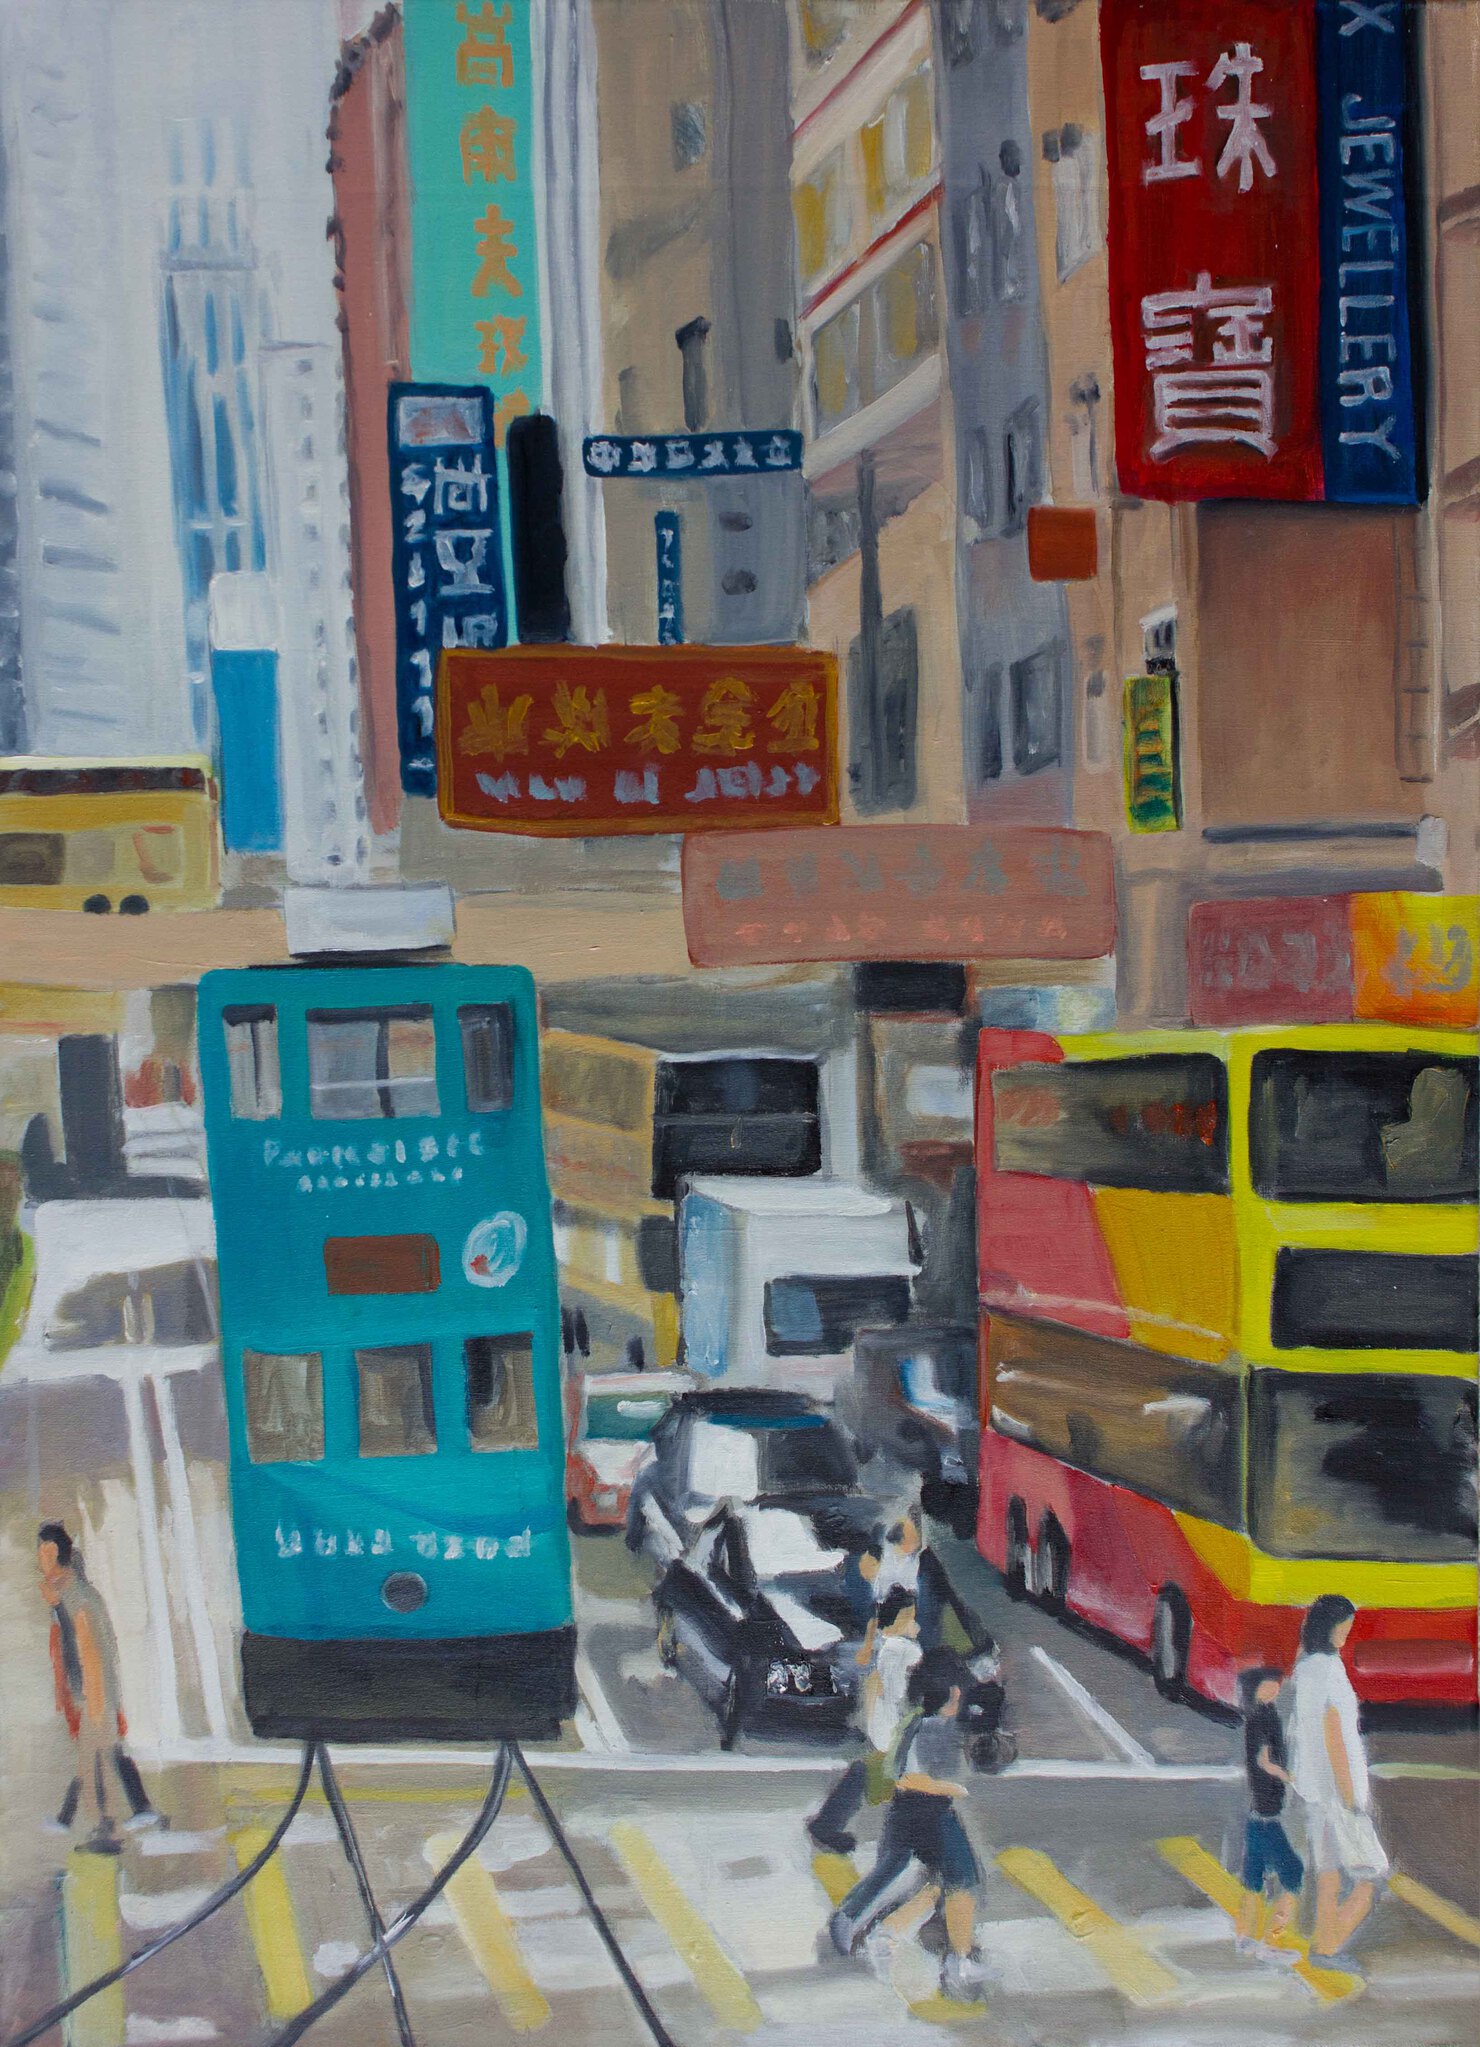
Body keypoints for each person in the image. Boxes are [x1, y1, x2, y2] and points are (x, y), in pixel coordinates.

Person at [829, 1647, 988, 2005]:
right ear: (949, 1694)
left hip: (912, 1812)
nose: (960, 1697)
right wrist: (952, 1789)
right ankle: (959, 1964)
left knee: (934, 1884)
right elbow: (909, 1778)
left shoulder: (922, 1722)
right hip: (930, 1812)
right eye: (957, 1692)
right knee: (962, 1881)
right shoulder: (933, 1729)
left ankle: (881, 1935)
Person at [38, 1523, 160, 1851]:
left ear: (54, 1553)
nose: (41, 1562)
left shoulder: (78, 1597)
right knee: (101, 1754)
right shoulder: (66, 1596)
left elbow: (90, 1650)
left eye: (44, 1553)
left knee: (91, 1758)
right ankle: (133, 1812)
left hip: (95, 1690)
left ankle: (95, 1825)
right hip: (86, 1691)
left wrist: (95, 1701)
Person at [1289, 1594, 1387, 1963]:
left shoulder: (1304, 1668)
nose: (1346, 1633)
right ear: (1329, 1628)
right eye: (1344, 1627)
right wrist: (1349, 1795)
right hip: (1338, 1791)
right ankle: (1330, 1944)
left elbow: (1299, 1729)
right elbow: (1334, 1735)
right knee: (1371, 1873)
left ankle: (1322, 1939)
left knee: (1327, 1870)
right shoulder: (1330, 1670)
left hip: (1313, 1790)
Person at [808, 1587, 923, 1855]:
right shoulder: (902, 1649)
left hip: (884, 1721)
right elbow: (897, 1692)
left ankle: (827, 1825)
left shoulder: (886, 1644)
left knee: (879, 1773)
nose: (914, 1624)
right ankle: (829, 1826)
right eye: (909, 1618)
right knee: (895, 1776)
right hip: (896, 1723)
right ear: (897, 1619)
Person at [1234, 1665, 1302, 1959]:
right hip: (1266, 1814)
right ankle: (1271, 1943)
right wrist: (1291, 1777)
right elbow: (1263, 1761)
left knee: (1253, 1877)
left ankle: (1245, 1938)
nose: (1276, 1686)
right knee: (1293, 1874)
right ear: (1256, 1689)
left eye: (1277, 1682)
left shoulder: (1264, 1713)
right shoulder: (1261, 1718)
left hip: (1258, 1814)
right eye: (1269, 1683)